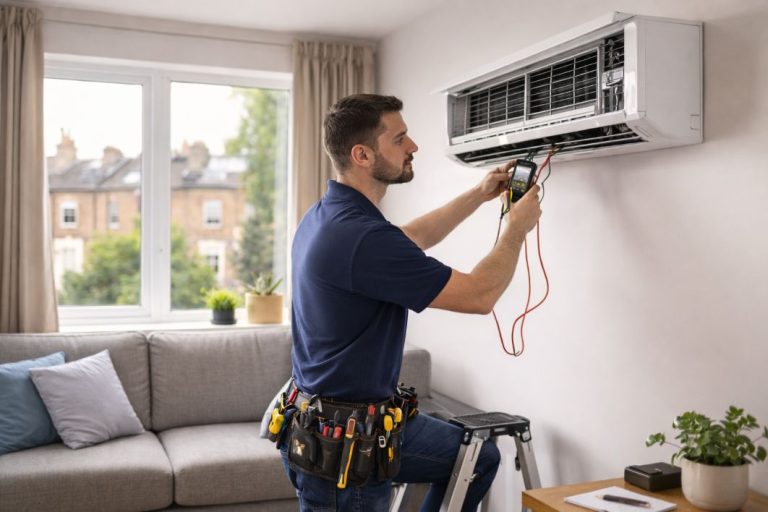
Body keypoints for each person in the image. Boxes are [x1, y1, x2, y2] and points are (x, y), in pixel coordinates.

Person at [280, 94, 542, 511]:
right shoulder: (361, 238)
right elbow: (479, 295)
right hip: (346, 451)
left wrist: (477, 195)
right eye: (400, 138)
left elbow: (411, 238)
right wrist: (516, 229)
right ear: (362, 154)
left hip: (344, 423)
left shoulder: (329, 215)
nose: (413, 146)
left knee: (478, 457)